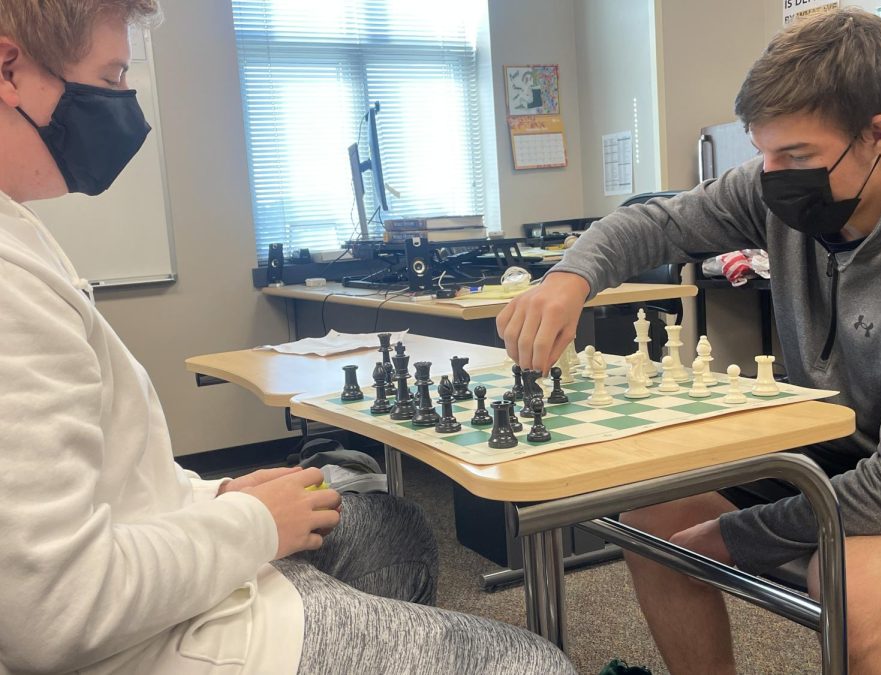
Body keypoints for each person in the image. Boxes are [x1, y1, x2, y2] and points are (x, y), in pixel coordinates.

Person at [0, 1, 576, 673]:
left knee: (392, 532)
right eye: (114, 73)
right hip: (135, 642)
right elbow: (55, 610)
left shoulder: (22, 226)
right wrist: (252, 523)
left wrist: (213, 498)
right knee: (537, 664)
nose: (126, 102)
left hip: (151, 551)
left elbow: (111, 482)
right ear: (9, 68)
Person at [498, 7, 881, 674]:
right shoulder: (778, 189)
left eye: (796, 156)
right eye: (762, 152)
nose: (772, 178)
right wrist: (568, 278)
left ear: (879, 135)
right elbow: (653, 224)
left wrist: (733, 535)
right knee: (651, 510)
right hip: (823, 451)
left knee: (855, 592)